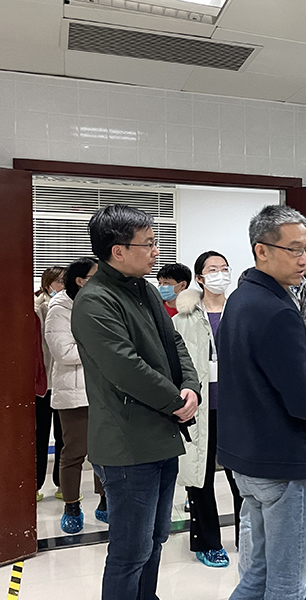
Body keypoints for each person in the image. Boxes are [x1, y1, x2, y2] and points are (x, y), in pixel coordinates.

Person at [71, 204, 200, 600]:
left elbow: (174, 342)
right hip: (127, 445)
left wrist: (190, 385)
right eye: (148, 244)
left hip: (161, 435)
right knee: (130, 551)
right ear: (118, 251)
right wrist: (175, 400)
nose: (156, 252)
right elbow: (125, 368)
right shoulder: (95, 301)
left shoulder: (144, 290)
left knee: (156, 539)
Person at [218, 205, 306, 600]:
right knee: (287, 582)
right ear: (262, 250)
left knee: (257, 575)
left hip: (249, 456)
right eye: (296, 249)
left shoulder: (241, 298)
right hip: (283, 462)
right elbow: (305, 401)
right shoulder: (277, 311)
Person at [172, 250, 237, 568]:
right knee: (201, 476)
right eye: (212, 269)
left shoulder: (240, 312)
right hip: (200, 407)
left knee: (244, 477)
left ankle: (250, 538)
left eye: (224, 268)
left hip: (237, 408)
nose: (219, 274)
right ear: (199, 277)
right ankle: (207, 542)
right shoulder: (183, 319)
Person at [45, 257, 107, 534]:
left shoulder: (101, 302)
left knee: (105, 450)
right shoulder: (59, 308)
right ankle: (71, 505)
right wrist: (101, 347)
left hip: (104, 390)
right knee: (74, 452)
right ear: (80, 281)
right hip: (74, 393)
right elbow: (64, 352)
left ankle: (106, 501)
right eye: (95, 276)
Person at [34, 266, 66, 502]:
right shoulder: (37, 308)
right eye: (58, 281)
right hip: (42, 384)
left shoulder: (70, 306)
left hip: (63, 382)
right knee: (39, 436)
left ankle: (62, 484)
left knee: (65, 437)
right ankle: (34, 484)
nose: (62, 286)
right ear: (47, 284)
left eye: (65, 281)